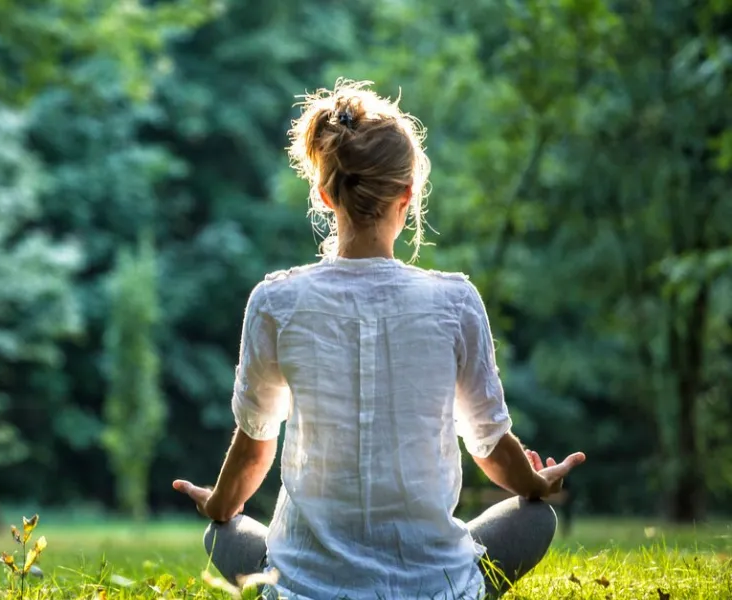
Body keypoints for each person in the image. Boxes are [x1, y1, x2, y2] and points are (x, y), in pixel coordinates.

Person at [170, 79, 586, 600]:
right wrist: (534, 483)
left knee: (222, 532)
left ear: (324, 194)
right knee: (536, 519)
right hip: (433, 587)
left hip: (306, 589)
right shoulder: (454, 301)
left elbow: (255, 448)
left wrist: (217, 505)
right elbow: (489, 448)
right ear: (408, 195)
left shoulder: (276, 301)